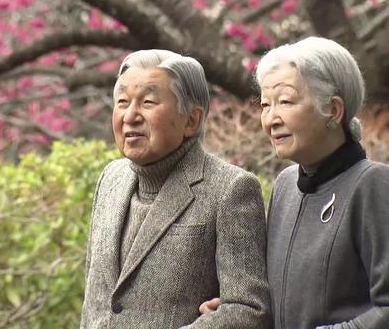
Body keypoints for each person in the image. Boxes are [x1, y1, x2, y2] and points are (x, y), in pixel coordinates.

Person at [199, 37, 389, 328]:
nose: (270, 118)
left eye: (285, 102)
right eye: (265, 105)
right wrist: (239, 312)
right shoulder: (286, 186)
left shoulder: (375, 184)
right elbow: (291, 303)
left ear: (333, 110)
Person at [80, 49, 271, 328]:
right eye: (122, 102)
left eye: (147, 102)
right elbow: (95, 303)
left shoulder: (230, 190)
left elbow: (249, 309)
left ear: (191, 120)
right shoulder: (111, 179)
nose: (130, 116)